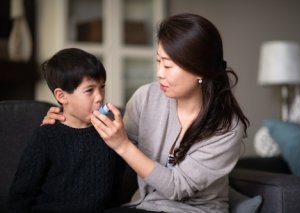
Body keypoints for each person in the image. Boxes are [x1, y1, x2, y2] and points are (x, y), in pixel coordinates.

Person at [42, 13, 249, 213]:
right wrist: (67, 125)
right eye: (158, 61)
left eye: (168, 65)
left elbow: (177, 187)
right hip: (144, 206)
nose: (159, 73)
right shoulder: (147, 97)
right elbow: (106, 149)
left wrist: (122, 145)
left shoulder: (227, 128)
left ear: (199, 70)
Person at [6, 48, 120, 213]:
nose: (100, 96)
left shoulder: (110, 134)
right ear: (61, 96)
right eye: (89, 90)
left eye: (102, 87)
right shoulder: (46, 136)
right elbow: (21, 194)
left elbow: (115, 187)